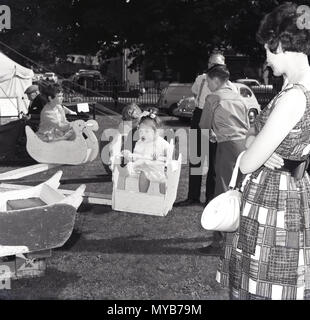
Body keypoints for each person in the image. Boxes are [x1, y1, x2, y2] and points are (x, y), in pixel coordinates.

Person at [216, 2, 310, 300]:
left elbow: (247, 161)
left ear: (282, 43)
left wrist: (255, 148)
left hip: (274, 197)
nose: (266, 59)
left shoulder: (294, 97)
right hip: (294, 188)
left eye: (268, 50)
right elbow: (250, 137)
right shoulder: (293, 88)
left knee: (266, 280)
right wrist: (255, 144)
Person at [199, 64, 250, 255]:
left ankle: (219, 243)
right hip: (244, 147)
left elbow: (203, 125)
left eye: (207, 81)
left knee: (222, 192)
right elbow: (244, 123)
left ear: (214, 80)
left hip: (227, 147)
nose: (207, 85)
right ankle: (241, 237)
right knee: (241, 190)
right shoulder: (240, 97)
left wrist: (214, 133)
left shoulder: (214, 97)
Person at [175, 53, 237, 207]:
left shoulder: (231, 85)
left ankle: (211, 198)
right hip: (200, 114)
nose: (212, 66)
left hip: (218, 119)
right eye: (210, 63)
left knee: (214, 161)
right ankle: (193, 197)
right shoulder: (201, 79)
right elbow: (195, 92)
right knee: (196, 158)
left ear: (224, 65)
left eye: (216, 64)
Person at [121, 111, 171, 194]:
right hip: (146, 167)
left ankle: (163, 198)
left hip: (159, 168)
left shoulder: (162, 143)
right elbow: (136, 156)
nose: (143, 134)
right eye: (141, 131)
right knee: (144, 174)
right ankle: (142, 194)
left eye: (147, 131)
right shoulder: (140, 143)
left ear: (156, 132)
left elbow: (169, 153)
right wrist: (129, 155)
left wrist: (167, 161)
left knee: (164, 178)